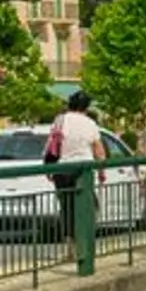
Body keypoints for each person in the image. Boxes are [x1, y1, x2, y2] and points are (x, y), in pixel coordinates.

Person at [46, 91, 105, 261]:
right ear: (86, 107)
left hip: (62, 169)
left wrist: (49, 167)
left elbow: (52, 145)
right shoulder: (90, 123)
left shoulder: (60, 120)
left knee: (67, 209)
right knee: (89, 208)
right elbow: (99, 151)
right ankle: (85, 248)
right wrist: (101, 171)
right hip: (83, 171)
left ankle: (70, 250)